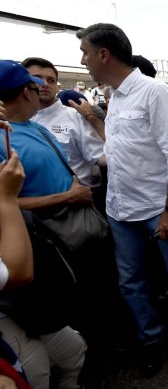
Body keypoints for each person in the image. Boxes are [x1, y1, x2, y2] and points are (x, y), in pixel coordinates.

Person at [76, 23, 168, 378]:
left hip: (159, 208)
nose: (84, 60)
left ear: (104, 54)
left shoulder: (154, 93)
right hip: (121, 211)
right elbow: (121, 150)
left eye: (86, 53)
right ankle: (151, 339)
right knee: (132, 282)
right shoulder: (114, 96)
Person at [0, 71, 87, 389]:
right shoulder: (3, 138)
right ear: (28, 92)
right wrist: (69, 195)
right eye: (39, 85)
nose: (44, 90)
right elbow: (6, 202)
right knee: (36, 370)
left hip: (61, 237)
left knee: (72, 345)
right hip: (28, 250)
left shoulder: (34, 127)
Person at [22, 57, 106, 193]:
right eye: (36, 78)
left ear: (56, 86)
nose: (45, 84)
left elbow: (101, 157)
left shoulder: (76, 116)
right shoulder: (14, 119)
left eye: (51, 80)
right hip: (29, 201)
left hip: (77, 202)